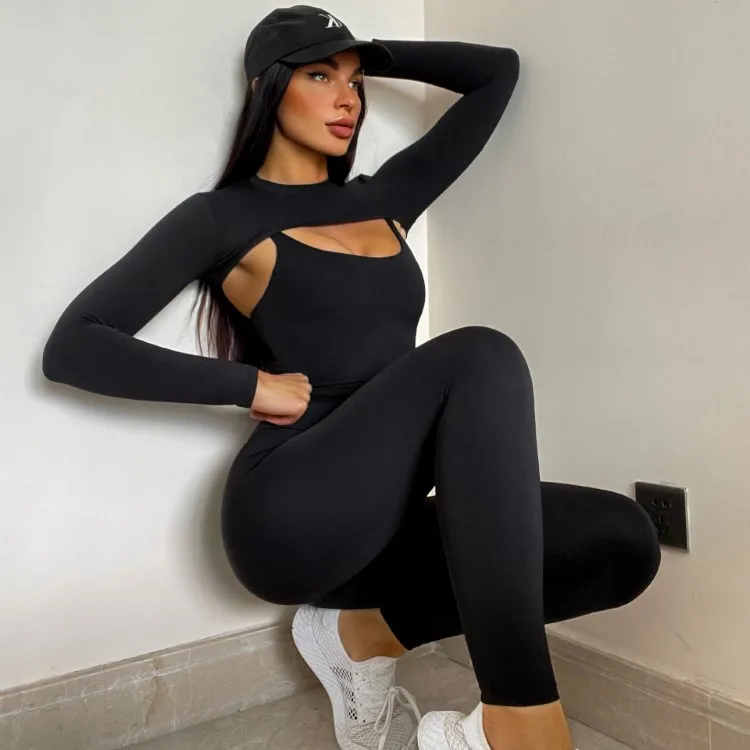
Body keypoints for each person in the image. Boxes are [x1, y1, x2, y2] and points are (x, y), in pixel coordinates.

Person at [41, 5, 662, 750]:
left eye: (355, 81)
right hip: (289, 512)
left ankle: (360, 638)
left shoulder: (386, 197)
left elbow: (497, 73)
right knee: (480, 353)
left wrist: (369, 50)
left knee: (622, 542)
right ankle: (520, 728)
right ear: (267, 87)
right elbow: (75, 345)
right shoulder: (220, 218)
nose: (348, 99)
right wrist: (248, 386)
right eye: (319, 76)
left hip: (386, 516)